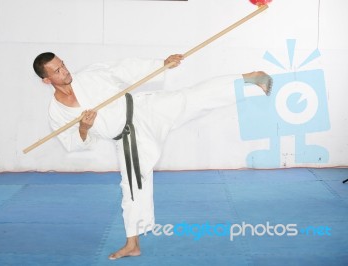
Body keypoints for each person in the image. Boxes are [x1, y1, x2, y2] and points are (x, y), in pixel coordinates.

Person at [32, 52, 272, 260]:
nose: (65, 71)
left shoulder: (89, 75)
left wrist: (160, 64)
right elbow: (74, 143)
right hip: (127, 139)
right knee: (133, 187)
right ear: (46, 80)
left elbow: (124, 68)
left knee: (193, 98)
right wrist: (84, 128)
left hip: (144, 109)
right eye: (57, 71)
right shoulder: (57, 111)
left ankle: (249, 78)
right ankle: (132, 244)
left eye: (63, 65)